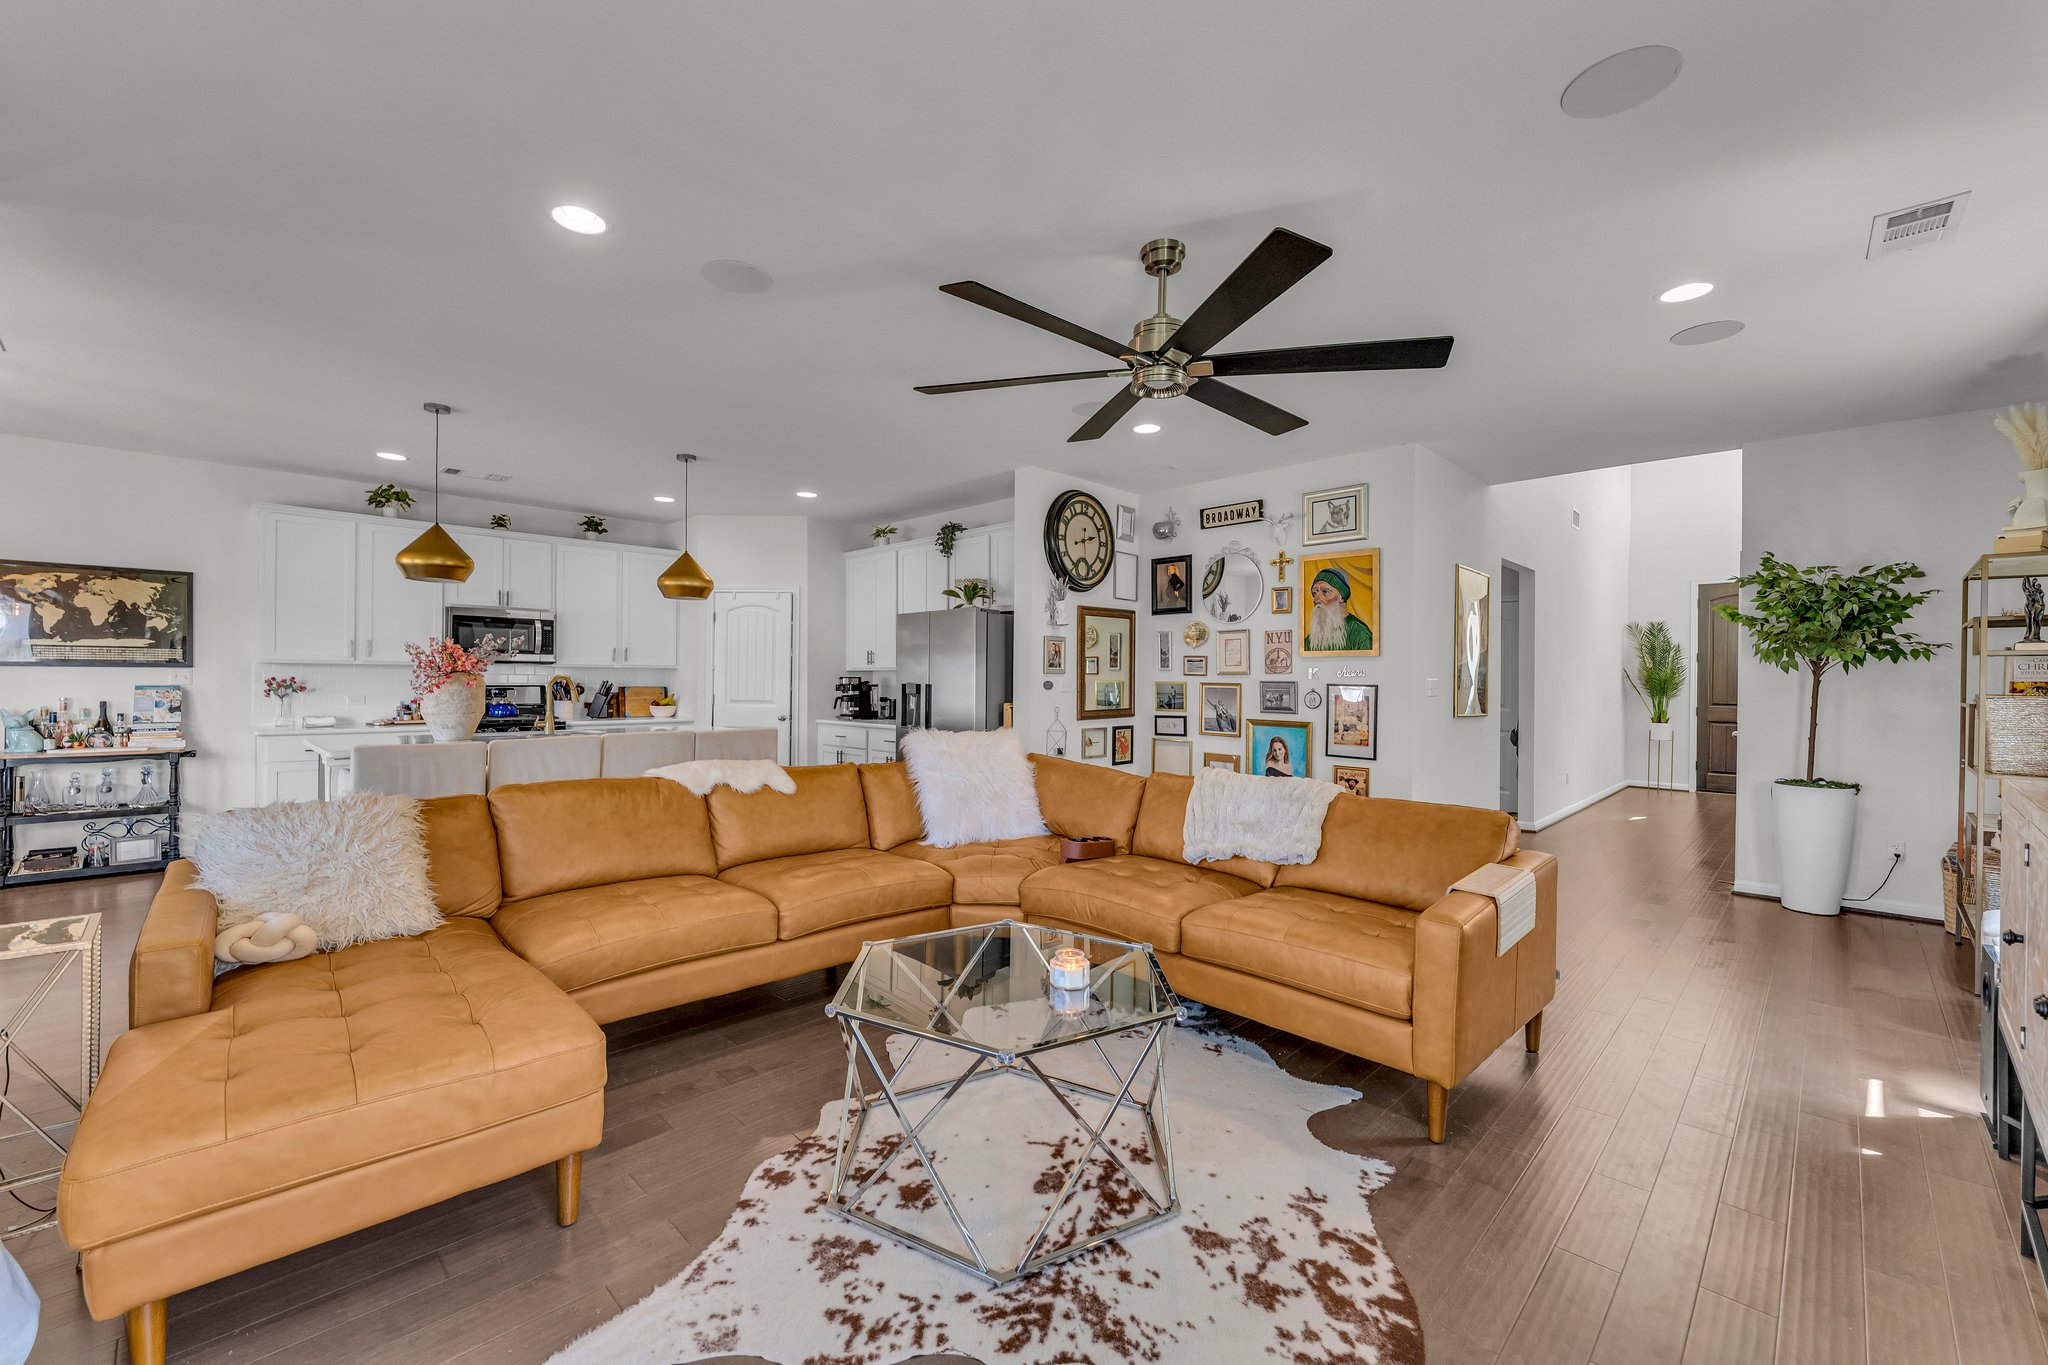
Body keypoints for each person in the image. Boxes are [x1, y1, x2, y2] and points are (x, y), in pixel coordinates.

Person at [1306, 568, 1374, 651]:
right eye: (1314, 593)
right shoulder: (1312, 638)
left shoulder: (1359, 632)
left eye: (1325, 591)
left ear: (1341, 597)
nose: (1316, 599)